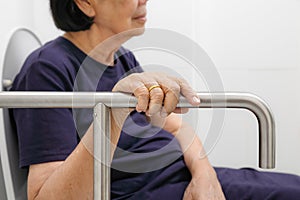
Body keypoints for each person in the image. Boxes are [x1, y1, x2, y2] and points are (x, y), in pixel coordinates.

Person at [11, 0, 300, 199]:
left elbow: (177, 128)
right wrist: (113, 110)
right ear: (85, 3)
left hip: (182, 178)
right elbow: (45, 196)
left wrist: (204, 176)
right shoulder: (47, 68)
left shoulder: (121, 59)